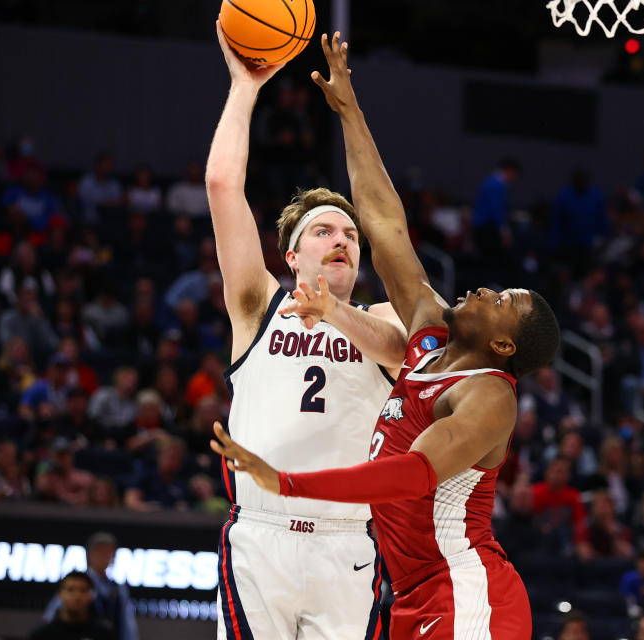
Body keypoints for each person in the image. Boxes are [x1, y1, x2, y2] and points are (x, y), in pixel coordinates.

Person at [210, 31, 561, 639]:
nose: (484, 290)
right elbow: (385, 223)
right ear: (290, 255)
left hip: (456, 585)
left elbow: (412, 475)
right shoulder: (428, 336)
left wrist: (287, 480)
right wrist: (349, 111)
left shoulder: (486, 392)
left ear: (504, 345)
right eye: (324, 232)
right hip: (404, 586)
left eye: (504, 301)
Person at [205, 22, 408, 640]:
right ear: (291, 256)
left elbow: (405, 354)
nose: (341, 239)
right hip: (261, 535)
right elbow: (221, 186)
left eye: (349, 234)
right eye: (324, 231)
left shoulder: (381, 319)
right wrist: (244, 86)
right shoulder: (258, 305)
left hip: (346, 543)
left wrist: (335, 314)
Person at [43, 533, 138, 640]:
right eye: (100, 552)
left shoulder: (118, 589)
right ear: (90, 555)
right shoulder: (78, 582)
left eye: (108, 553)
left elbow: (127, 625)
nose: (104, 557)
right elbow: (51, 616)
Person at [32, 571, 115, 640]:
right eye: (70, 589)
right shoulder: (42, 635)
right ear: (60, 594)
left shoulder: (104, 635)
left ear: (92, 596)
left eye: (83, 590)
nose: (77, 596)